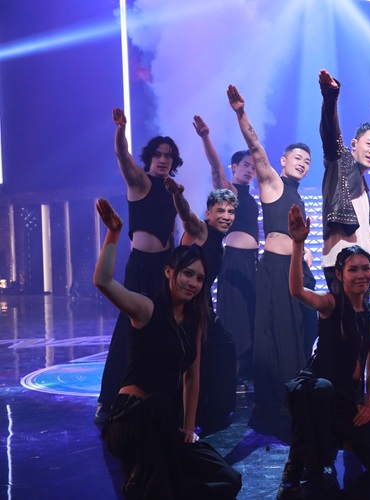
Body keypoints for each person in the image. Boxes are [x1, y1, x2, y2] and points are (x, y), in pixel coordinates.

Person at [94, 198, 242, 498]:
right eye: (187, 273)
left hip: (166, 425)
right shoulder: (146, 309)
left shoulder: (194, 320)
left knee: (229, 479)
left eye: (199, 278)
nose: (193, 283)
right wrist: (114, 232)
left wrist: (189, 428)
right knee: (165, 475)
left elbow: (192, 377)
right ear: (169, 272)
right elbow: (103, 282)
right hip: (131, 420)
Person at [277, 205, 370, 498]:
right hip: (316, 392)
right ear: (340, 275)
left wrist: (368, 405)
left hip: (348, 402)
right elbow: (297, 291)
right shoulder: (331, 304)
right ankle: (303, 461)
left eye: (366, 268)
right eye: (353, 269)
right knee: (322, 390)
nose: (361, 274)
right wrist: (298, 244)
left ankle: (342, 439)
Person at [227, 84, 317, 418]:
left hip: (296, 267)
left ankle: (297, 385)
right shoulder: (273, 183)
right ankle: (276, 393)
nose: (303, 164)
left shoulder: (298, 196)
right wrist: (241, 113)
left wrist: (305, 254)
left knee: (302, 327)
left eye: (307, 161)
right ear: (283, 161)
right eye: (298, 158)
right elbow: (255, 147)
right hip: (276, 266)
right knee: (276, 327)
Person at [96, 108, 182, 423]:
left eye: (169, 155)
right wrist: (121, 129)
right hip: (141, 266)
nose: (163, 159)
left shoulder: (173, 190)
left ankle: (160, 394)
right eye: (158, 154)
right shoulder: (140, 181)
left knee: (164, 329)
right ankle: (109, 400)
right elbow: (122, 155)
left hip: (165, 267)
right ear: (150, 157)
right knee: (127, 330)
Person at [166, 179, 239, 432]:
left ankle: (211, 413)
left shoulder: (220, 244)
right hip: (184, 306)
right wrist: (178, 195)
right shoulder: (200, 230)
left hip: (202, 306)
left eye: (230, 212)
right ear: (208, 214)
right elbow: (186, 216)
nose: (226, 216)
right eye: (220, 211)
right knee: (195, 359)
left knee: (222, 348)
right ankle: (191, 417)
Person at [193, 114, 260, 382]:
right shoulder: (231, 192)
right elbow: (216, 171)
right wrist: (205, 137)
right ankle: (231, 374)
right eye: (245, 165)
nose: (250, 170)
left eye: (253, 167)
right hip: (234, 260)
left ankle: (247, 372)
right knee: (235, 317)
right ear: (234, 166)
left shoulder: (252, 197)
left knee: (251, 315)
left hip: (252, 262)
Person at [319, 69, 370, 290]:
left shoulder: (363, 183)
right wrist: (330, 97)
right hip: (342, 264)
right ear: (354, 144)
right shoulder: (341, 162)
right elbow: (331, 134)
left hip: (362, 264)